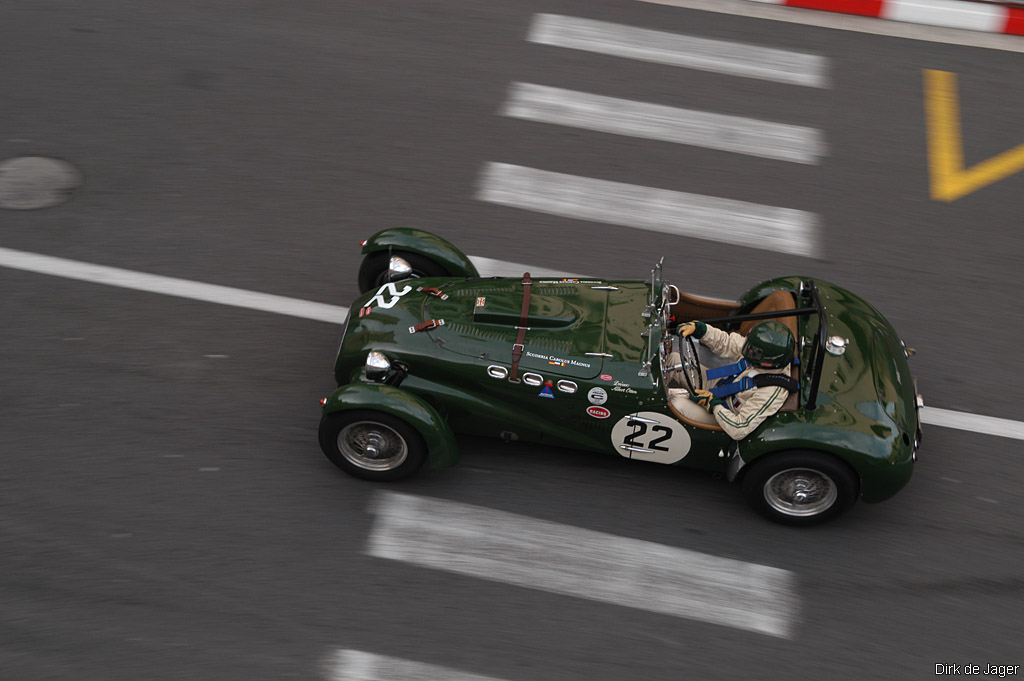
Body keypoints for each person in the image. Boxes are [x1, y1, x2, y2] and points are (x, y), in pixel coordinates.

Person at [676, 319, 797, 440]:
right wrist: (701, 330)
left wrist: (713, 405)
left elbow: (739, 428)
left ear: (768, 363)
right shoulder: (759, 351)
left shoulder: (770, 392)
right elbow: (726, 343)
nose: (747, 350)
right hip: (721, 388)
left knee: (676, 404)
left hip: (723, 415)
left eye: (752, 351)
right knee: (674, 360)